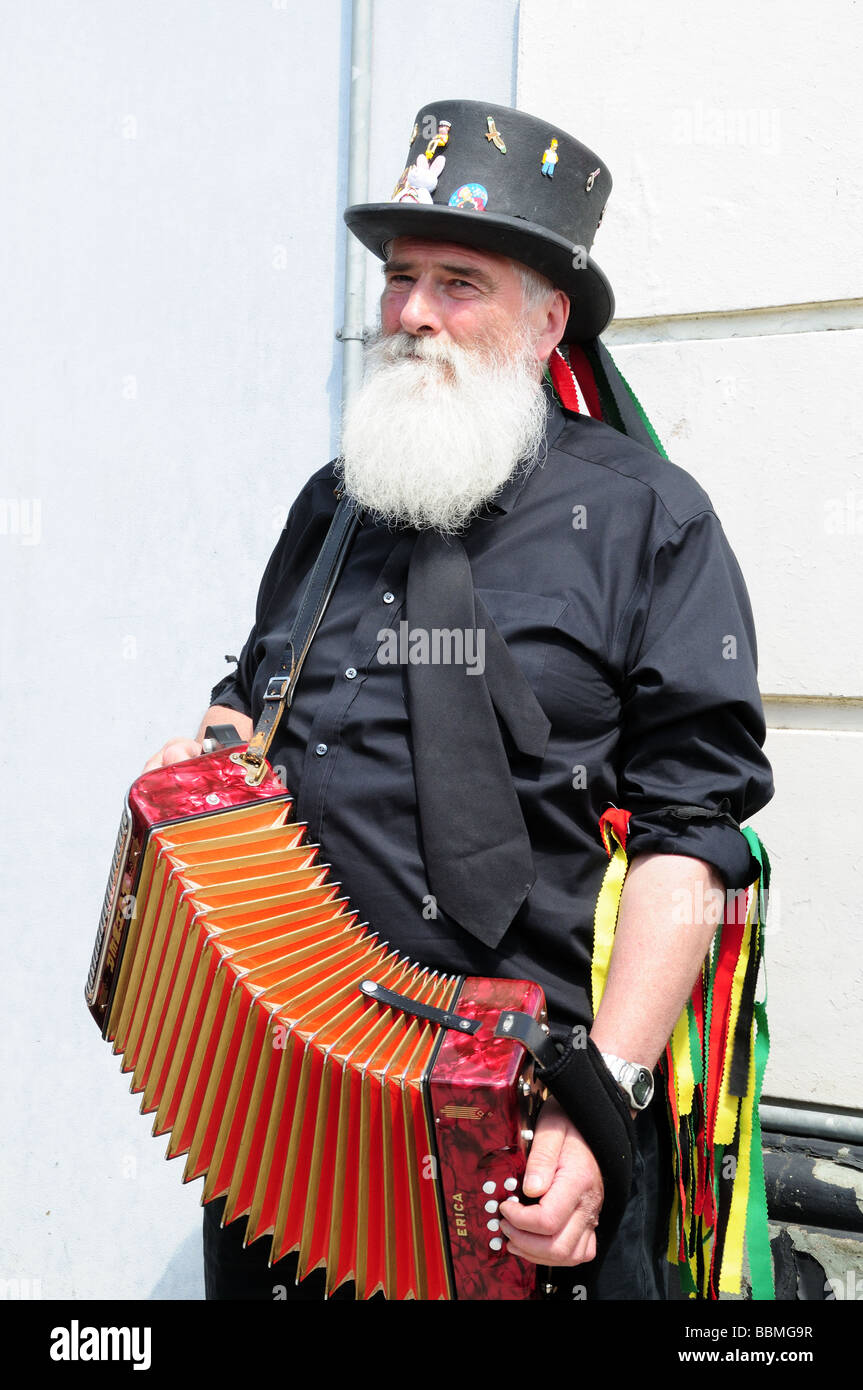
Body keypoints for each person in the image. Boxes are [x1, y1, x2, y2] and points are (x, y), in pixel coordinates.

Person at [146, 100, 773, 1301]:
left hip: (529, 1138)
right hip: (283, 1124)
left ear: (547, 322)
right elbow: (250, 703)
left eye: (458, 283)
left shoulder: (649, 518)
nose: (414, 315)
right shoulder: (332, 503)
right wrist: (209, 759)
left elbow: (692, 847)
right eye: (399, 279)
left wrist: (606, 1100)